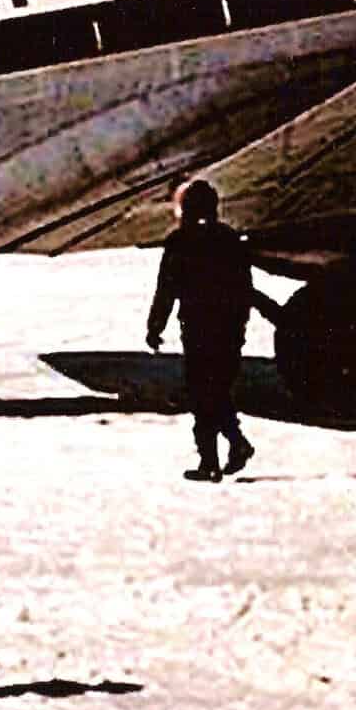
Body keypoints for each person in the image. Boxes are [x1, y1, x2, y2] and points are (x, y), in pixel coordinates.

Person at [146, 178, 256, 482]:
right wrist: (240, 325)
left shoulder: (180, 241)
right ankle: (230, 448)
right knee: (217, 391)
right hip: (229, 329)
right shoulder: (229, 239)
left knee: (202, 394)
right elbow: (244, 287)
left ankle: (215, 458)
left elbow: (166, 289)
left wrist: (155, 326)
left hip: (198, 329)